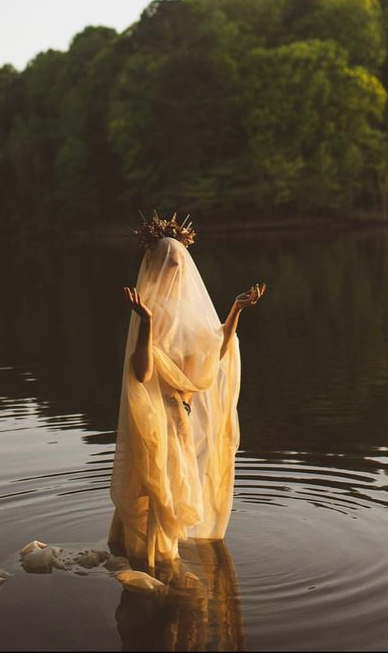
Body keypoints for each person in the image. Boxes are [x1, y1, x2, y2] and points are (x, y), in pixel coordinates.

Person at [108, 212, 266, 571]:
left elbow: (216, 355)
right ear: (157, 268)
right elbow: (143, 372)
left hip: (180, 418)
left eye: (179, 263)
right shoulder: (149, 312)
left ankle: (162, 574)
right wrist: (146, 322)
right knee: (157, 492)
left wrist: (235, 312)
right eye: (170, 264)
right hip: (155, 418)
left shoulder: (192, 314)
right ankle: (154, 564)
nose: (176, 271)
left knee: (172, 493)